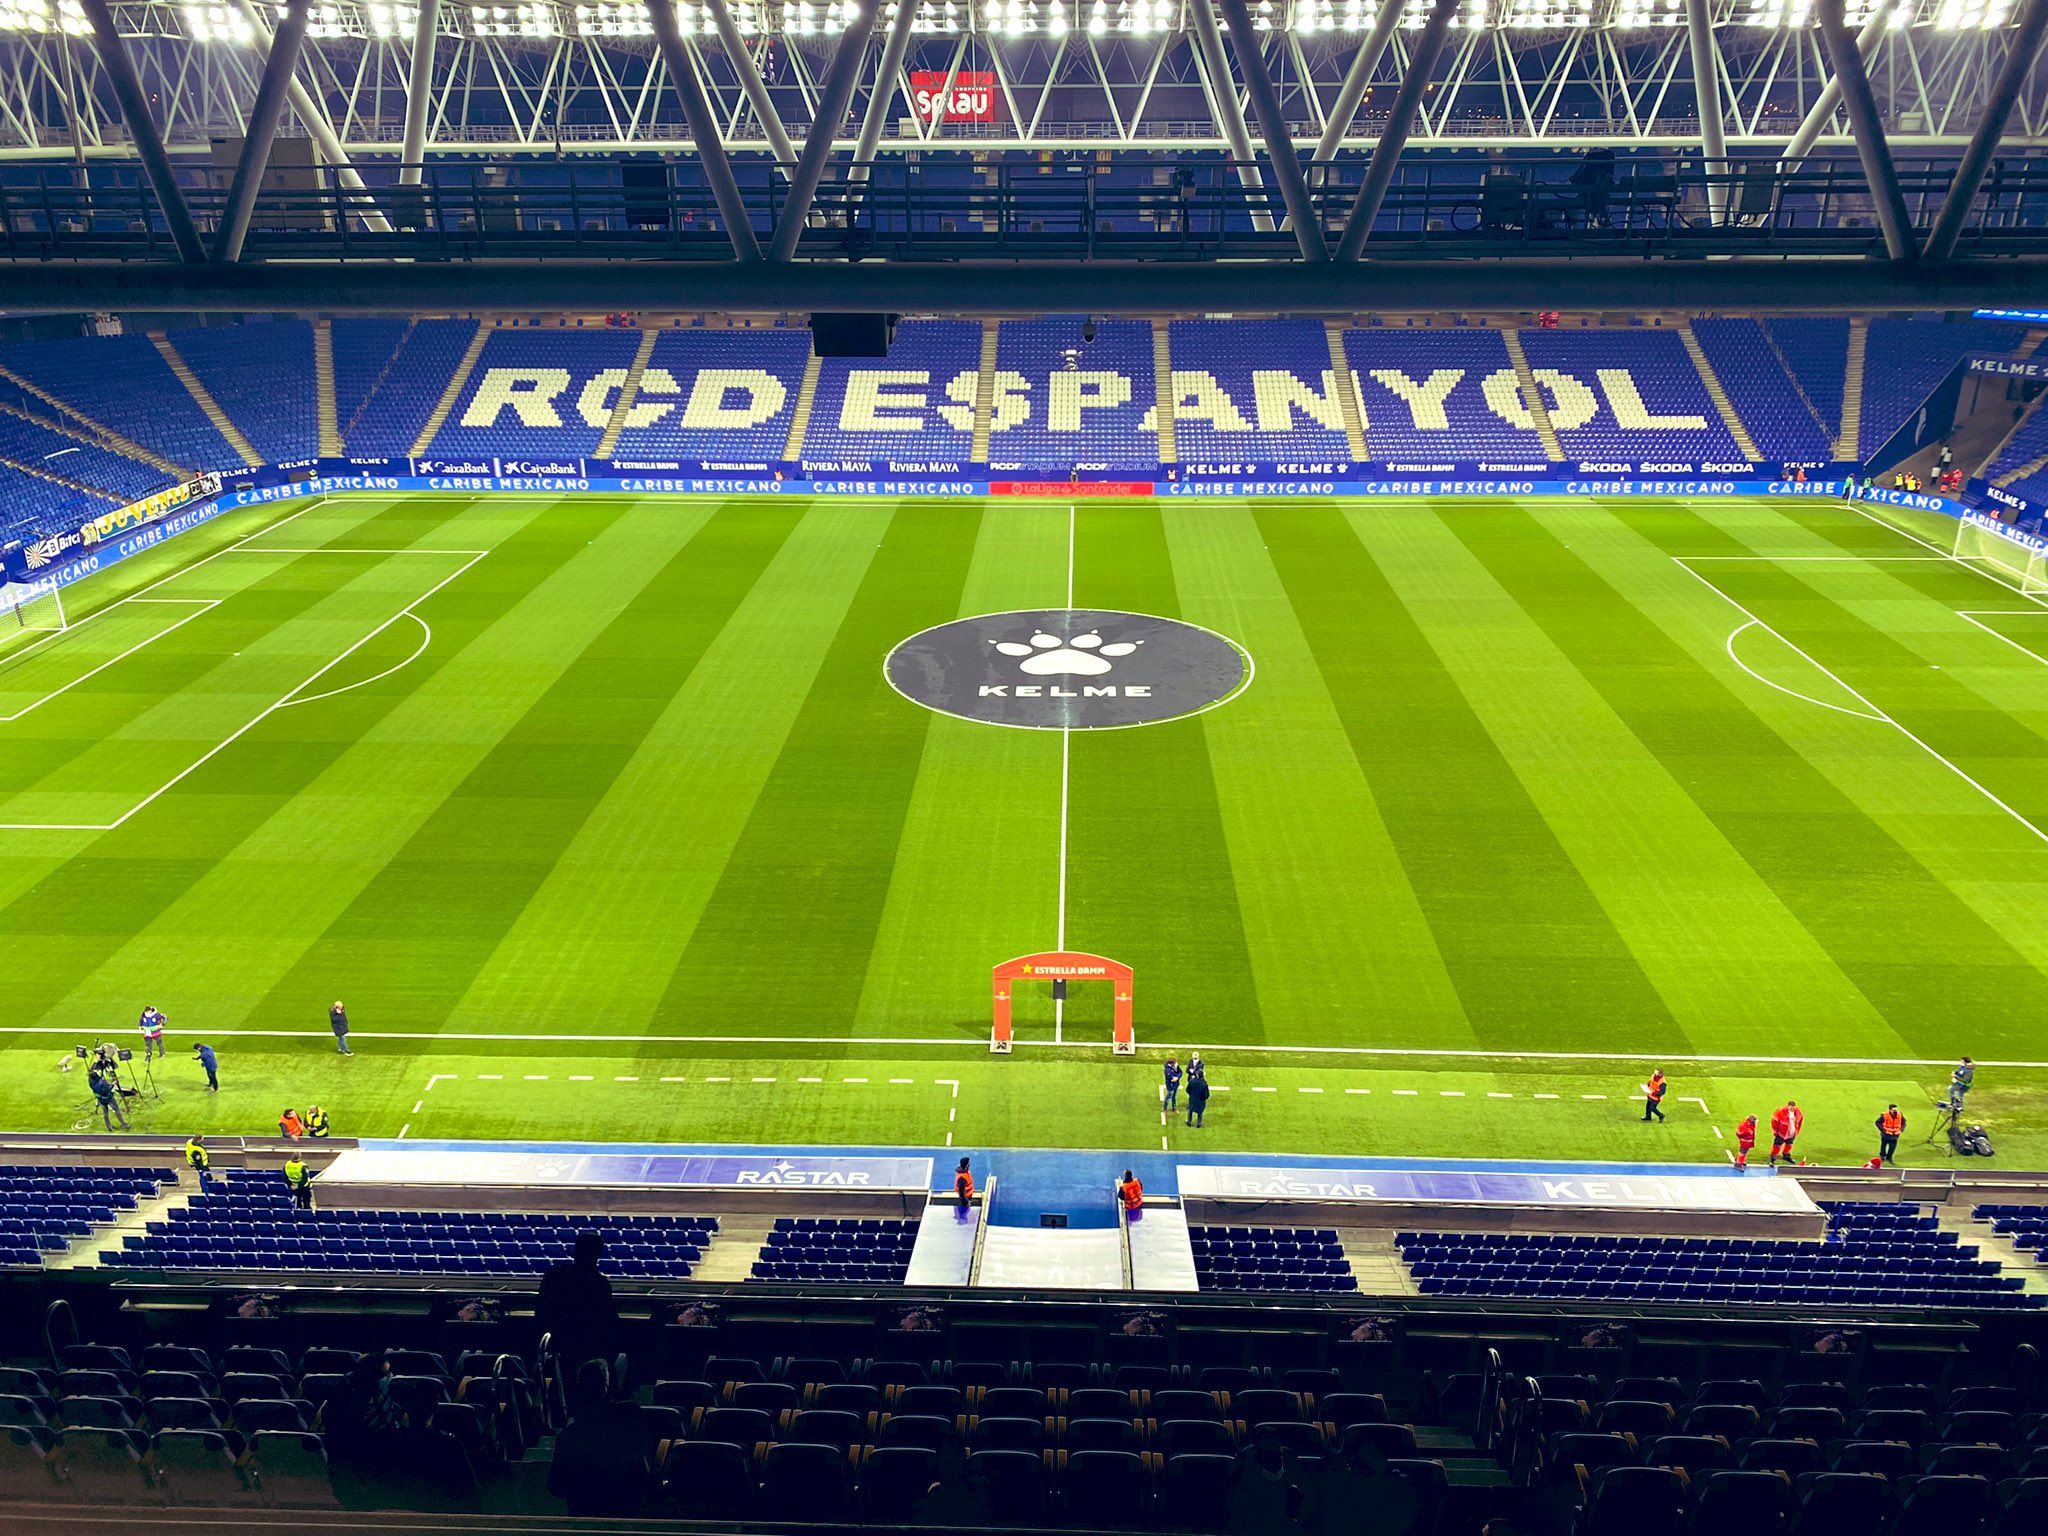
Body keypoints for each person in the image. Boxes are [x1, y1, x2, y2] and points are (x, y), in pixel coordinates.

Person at [546, 1358, 657, 1518]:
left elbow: (556, 1485)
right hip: (625, 1516)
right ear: (607, 1387)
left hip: (584, 1519)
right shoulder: (630, 1421)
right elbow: (643, 1471)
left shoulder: (570, 1435)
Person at [536, 1230, 619, 1376]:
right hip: (587, 1347)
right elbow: (607, 1320)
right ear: (597, 1255)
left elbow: (541, 1312)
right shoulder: (599, 1283)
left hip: (557, 1344)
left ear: (575, 1252)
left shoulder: (554, 1277)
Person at [91, 1066, 129, 1131]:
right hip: (108, 1098)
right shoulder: (102, 1081)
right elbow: (108, 1089)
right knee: (117, 1110)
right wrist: (113, 1084)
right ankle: (123, 1124)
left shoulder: (91, 1081)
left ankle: (109, 1127)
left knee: (105, 1112)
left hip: (100, 1099)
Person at [1770, 1100, 1803, 1165]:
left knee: (1789, 1145)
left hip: (1792, 1133)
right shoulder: (1780, 1112)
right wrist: (1775, 1131)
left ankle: (1786, 1156)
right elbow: (1774, 1122)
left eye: (1793, 1108)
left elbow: (1800, 1123)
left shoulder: (1799, 1113)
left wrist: (1797, 1131)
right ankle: (1773, 1158)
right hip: (1781, 1133)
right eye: (1791, 1108)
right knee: (1777, 1145)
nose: (1792, 1109)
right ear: (1787, 1106)